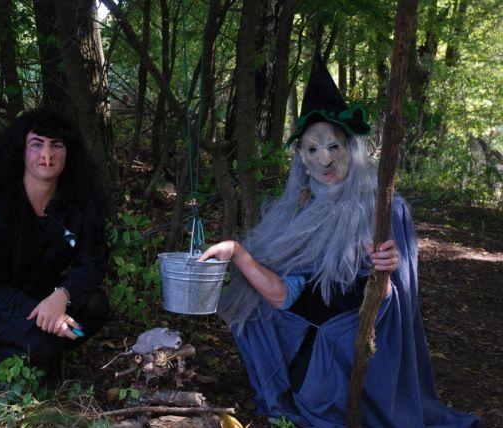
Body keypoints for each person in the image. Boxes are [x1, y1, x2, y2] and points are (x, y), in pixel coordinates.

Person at [199, 55, 479, 427]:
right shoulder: (297, 208)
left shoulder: (383, 208)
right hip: (305, 324)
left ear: (350, 147)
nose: (325, 160)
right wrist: (236, 253)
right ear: (301, 157)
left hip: (353, 336)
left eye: (334, 147)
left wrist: (386, 271)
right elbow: (285, 292)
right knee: (251, 309)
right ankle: (291, 388)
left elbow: (393, 299)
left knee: (324, 359)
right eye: (313, 150)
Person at [0, 108, 110, 384]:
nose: (47, 155)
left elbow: (93, 261)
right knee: (45, 344)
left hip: (35, 291)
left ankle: (37, 351)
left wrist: (62, 295)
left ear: (69, 152)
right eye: (36, 144)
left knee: (96, 306)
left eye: (56, 145)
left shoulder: (78, 202)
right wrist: (47, 319)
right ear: (21, 151)